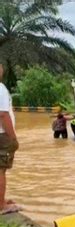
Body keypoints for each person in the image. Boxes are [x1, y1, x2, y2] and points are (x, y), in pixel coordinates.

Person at [0, 64, 20, 215]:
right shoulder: (0, 89)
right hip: (3, 135)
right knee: (1, 170)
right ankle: (2, 206)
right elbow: (3, 114)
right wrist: (12, 137)